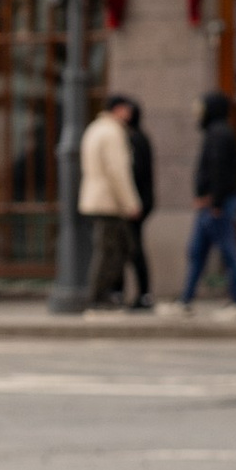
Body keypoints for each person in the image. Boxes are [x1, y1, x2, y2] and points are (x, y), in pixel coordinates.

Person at [179, 89, 236, 313]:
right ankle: (186, 300)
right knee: (197, 251)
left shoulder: (218, 134)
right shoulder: (217, 132)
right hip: (211, 203)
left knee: (227, 251)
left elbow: (220, 171)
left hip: (216, 204)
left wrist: (215, 202)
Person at [79, 93, 140, 308]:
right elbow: (118, 171)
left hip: (96, 199)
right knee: (110, 251)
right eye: (127, 109)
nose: (130, 114)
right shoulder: (113, 132)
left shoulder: (95, 128)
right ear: (119, 109)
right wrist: (130, 202)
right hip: (108, 202)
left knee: (111, 249)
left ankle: (101, 294)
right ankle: (99, 295)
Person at [117, 93, 157, 311]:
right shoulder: (139, 136)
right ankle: (140, 294)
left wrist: (132, 202)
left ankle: (142, 294)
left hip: (137, 203)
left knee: (133, 249)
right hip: (140, 201)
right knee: (130, 249)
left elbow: (135, 173)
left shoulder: (134, 138)